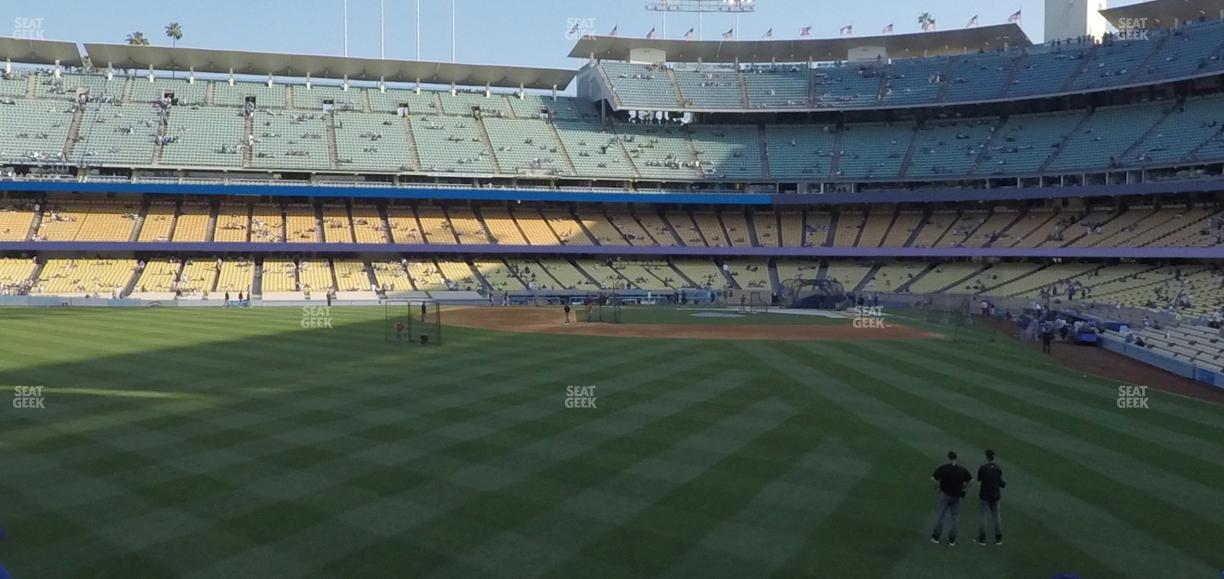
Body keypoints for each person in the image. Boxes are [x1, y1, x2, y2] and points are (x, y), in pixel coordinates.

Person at [930, 450, 973, 546]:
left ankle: (936, 537)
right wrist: (963, 488)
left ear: (948, 457)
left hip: (945, 495)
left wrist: (937, 487)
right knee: (955, 518)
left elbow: (933, 478)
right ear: (955, 458)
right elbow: (971, 480)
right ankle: (952, 540)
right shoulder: (961, 469)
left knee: (941, 516)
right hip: (957, 497)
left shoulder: (944, 468)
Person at [976, 449, 1007, 546]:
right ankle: (998, 539)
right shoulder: (998, 468)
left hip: (985, 495)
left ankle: (982, 539)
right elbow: (1000, 482)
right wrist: (1004, 483)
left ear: (986, 457)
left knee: (983, 517)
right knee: (997, 517)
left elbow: (979, 479)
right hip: (995, 496)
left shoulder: (983, 468)